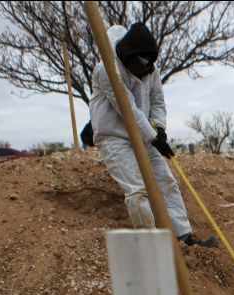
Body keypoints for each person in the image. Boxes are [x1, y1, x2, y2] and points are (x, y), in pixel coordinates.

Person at [90, 23, 215, 247]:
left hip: (145, 135)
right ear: (127, 55)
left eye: (148, 64)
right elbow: (126, 108)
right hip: (114, 136)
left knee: (167, 182)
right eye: (140, 64)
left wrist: (159, 129)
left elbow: (157, 102)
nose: (145, 69)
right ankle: (151, 245)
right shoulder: (106, 69)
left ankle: (183, 237)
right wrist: (152, 136)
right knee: (137, 191)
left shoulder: (151, 70)